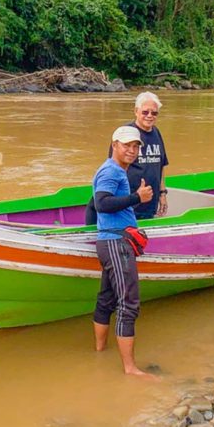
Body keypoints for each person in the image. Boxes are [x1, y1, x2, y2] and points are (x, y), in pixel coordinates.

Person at [92, 125, 155, 377]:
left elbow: (93, 205)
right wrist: (137, 198)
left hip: (111, 242)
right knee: (128, 304)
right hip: (116, 245)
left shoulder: (113, 170)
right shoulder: (111, 171)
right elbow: (101, 204)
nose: (131, 150)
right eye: (126, 145)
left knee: (106, 299)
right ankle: (130, 369)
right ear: (114, 144)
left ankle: (99, 352)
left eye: (136, 146)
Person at [112, 91, 169, 219]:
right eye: (145, 112)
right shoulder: (126, 134)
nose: (150, 116)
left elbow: (161, 166)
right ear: (136, 111)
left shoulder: (156, 132)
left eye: (154, 113)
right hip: (129, 202)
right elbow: (113, 169)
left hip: (150, 202)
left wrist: (162, 193)